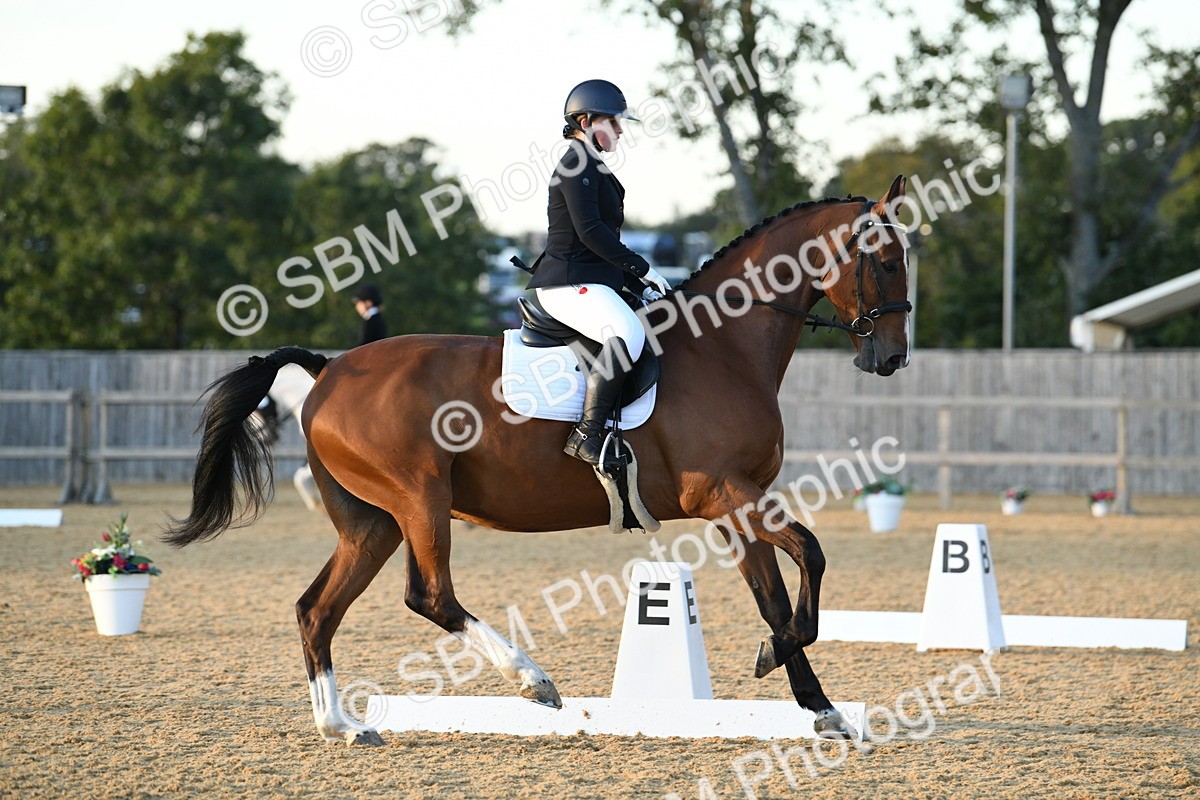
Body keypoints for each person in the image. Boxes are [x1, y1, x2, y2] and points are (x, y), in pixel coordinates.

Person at [526, 79, 672, 471]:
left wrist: (634, 282)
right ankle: (587, 434)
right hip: (567, 282)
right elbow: (590, 233)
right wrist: (641, 269)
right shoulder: (576, 163)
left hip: (589, 280)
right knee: (627, 333)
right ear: (587, 120)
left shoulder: (591, 164)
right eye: (614, 122)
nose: (621, 131)